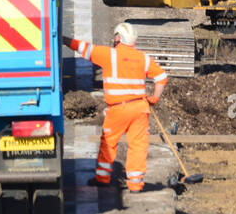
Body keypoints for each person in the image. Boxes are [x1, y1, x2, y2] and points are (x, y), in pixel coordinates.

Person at [63, 23, 167, 192]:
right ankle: (135, 184)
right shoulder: (143, 58)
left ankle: (103, 179)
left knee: (109, 143)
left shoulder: (109, 55)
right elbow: (162, 77)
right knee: (138, 145)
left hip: (118, 109)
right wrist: (154, 98)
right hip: (140, 108)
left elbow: (83, 48)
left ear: (118, 37)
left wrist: (63, 39)